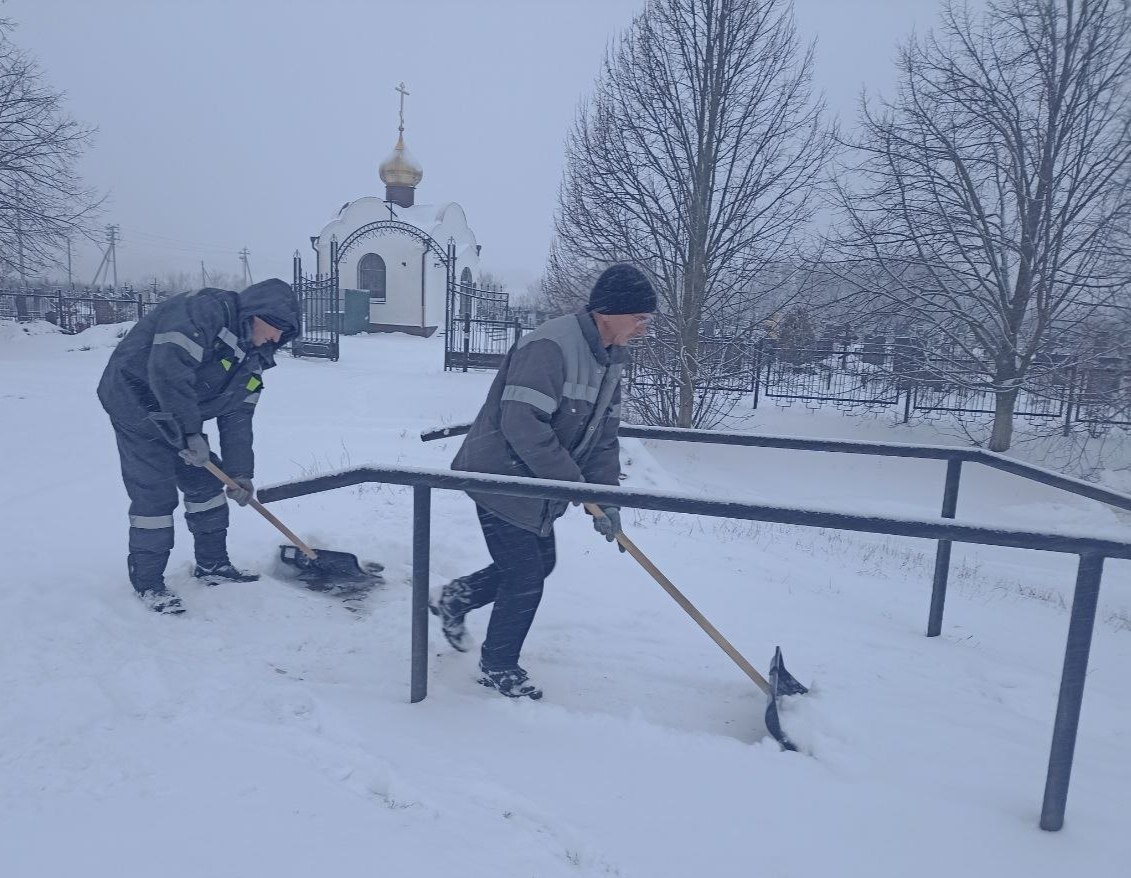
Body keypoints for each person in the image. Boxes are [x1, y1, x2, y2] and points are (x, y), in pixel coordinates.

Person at [433, 263, 657, 698]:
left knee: (539, 565)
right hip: (501, 475)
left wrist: (605, 498)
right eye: (640, 317)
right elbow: (522, 424)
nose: (643, 327)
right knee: (525, 575)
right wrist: (573, 485)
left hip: (538, 483)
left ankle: (457, 597)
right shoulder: (552, 346)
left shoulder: (608, 360)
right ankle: (498, 665)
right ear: (610, 312)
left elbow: (604, 439)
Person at [97, 278, 302, 614]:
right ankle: (148, 583)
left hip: (177, 413)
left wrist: (240, 474)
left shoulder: (252, 359)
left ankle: (213, 565)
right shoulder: (205, 310)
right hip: (133, 400)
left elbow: (238, 420)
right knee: (156, 493)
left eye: (284, 333)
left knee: (206, 483)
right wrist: (190, 434)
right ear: (253, 312)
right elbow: (167, 368)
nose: (277, 338)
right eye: (275, 326)